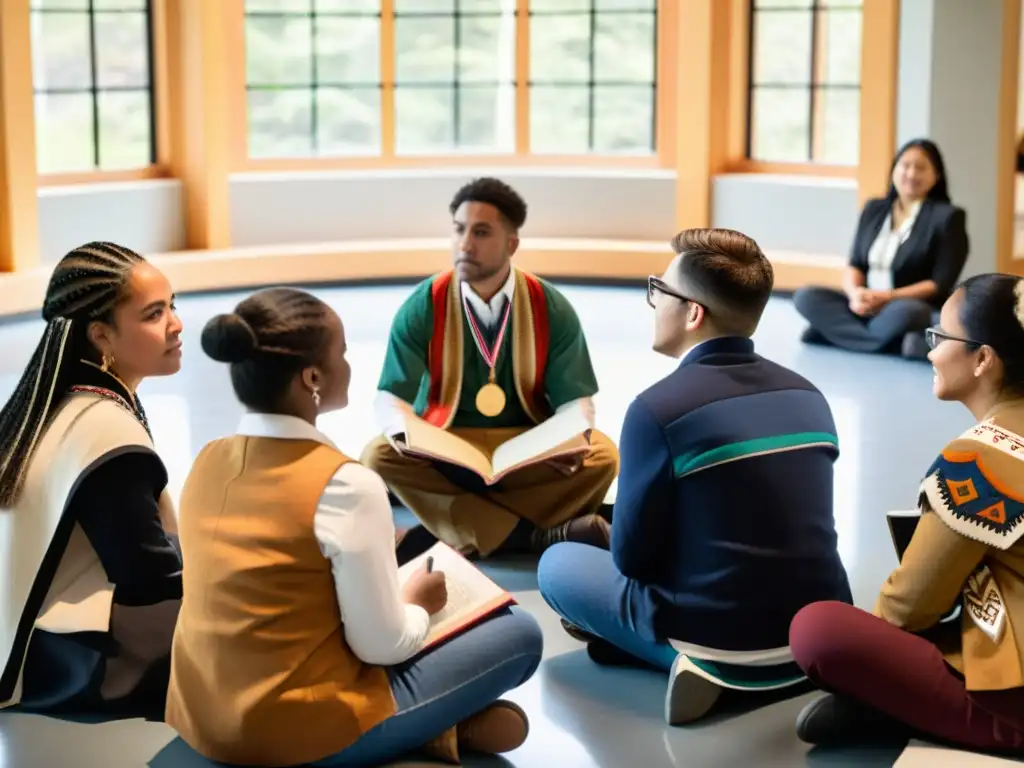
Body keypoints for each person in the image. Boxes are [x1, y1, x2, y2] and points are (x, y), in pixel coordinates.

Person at [165, 287, 543, 768]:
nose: (348, 363)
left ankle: (438, 729)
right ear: (313, 377)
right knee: (520, 635)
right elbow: (381, 645)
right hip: (285, 733)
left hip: (202, 718)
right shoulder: (346, 483)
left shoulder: (206, 460)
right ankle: (429, 730)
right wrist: (418, 603)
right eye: (341, 352)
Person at [537, 228, 853, 725]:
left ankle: (692, 664)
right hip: (812, 631)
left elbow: (633, 561)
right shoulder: (810, 394)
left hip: (717, 635)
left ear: (693, 312)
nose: (653, 302)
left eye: (658, 290)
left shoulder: (659, 408)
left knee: (556, 565)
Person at [791, 273, 1024, 753]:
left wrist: (869, 664)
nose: (930, 350)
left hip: (1014, 699)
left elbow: (907, 609)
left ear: (983, 359)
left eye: (940, 336)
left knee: (819, 629)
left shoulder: (978, 460)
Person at [361, 177, 619, 559]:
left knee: (602, 456)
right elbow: (391, 397)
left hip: (524, 442)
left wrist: (570, 435)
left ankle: (456, 530)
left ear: (511, 243)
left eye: (481, 232)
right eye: (459, 230)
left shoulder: (550, 306)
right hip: (445, 442)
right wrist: (403, 430)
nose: (465, 245)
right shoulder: (424, 303)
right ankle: (535, 536)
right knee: (378, 455)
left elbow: (576, 403)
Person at [0, 242, 183, 717]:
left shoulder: (53, 402)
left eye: (173, 305)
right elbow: (149, 581)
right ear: (101, 335)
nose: (176, 324)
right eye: (154, 313)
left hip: (27, 638)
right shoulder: (106, 430)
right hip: (74, 659)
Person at [793, 138, 969, 360]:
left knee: (912, 312)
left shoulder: (948, 217)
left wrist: (887, 297)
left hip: (903, 305)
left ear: (936, 176)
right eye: (905, 165)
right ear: (894, 170)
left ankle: (832, 336)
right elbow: (855, 263)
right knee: (806, 297)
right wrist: (855, 294)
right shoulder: (874, 209)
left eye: (921, 168)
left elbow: (938, 283)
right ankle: (892, 344)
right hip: (865, 303)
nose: (911, 173)